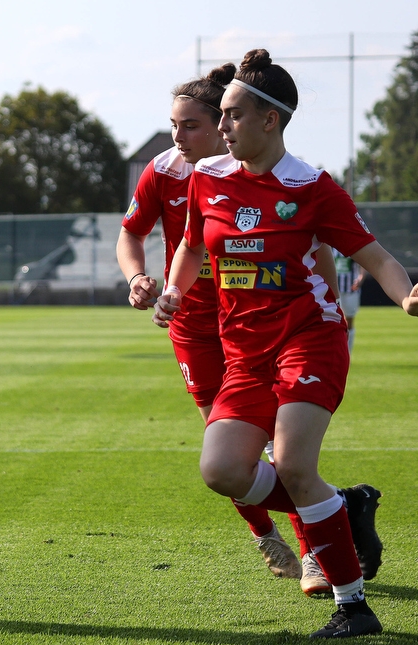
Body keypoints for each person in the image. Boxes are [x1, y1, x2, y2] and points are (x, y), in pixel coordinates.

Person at [154, 49, 418, 638]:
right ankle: (342, 508)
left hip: (310, 339)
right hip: (244, 353)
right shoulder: (207, 179)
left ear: (270, 120)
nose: (221, 126)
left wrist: (405, 297)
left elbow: (374, 256)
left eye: (232, 115)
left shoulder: (313, 187)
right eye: (220, 115)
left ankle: (353, 607)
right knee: (221, 470)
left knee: (295, 465)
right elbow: (193, 247)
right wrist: (174, 289)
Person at [117, 64, 332, 595]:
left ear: (223, 125)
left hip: (263, 323)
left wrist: (331, 314)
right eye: (173, 125)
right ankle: (267, 534)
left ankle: (315, 552)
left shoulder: (263, 173)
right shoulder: (164, 171)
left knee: (284, 453)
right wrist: (141, 278)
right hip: (194, 326)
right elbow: (132, 234)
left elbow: (318, 249)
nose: (177, 137)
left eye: (190, 126)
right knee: (226, 448)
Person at [333, 249, 366, 352]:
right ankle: (335, 351)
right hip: (334, 289)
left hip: (350, 289)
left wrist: (361, 277)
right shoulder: (329, 247)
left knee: (349, 320)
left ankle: (348, 352)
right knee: (334, 320)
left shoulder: (350, 245)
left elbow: (363, 262)